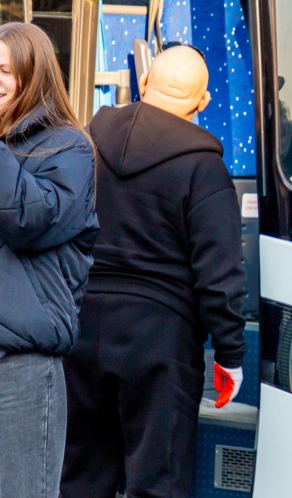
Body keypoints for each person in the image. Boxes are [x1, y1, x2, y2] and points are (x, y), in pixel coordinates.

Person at [61, 45, 247, 498]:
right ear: (202, 102)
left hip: (80, 330)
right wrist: (230, 353)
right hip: (162, 344)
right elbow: (220, 275)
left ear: (144, 84)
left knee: (78, 479)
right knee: (159, 482)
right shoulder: (205, 168)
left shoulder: (87, 144)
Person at [0, 22, 99, 498]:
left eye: (4, 70)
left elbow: (28, 219)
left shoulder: (69, 147)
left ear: (33, 74)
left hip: (21, 366)